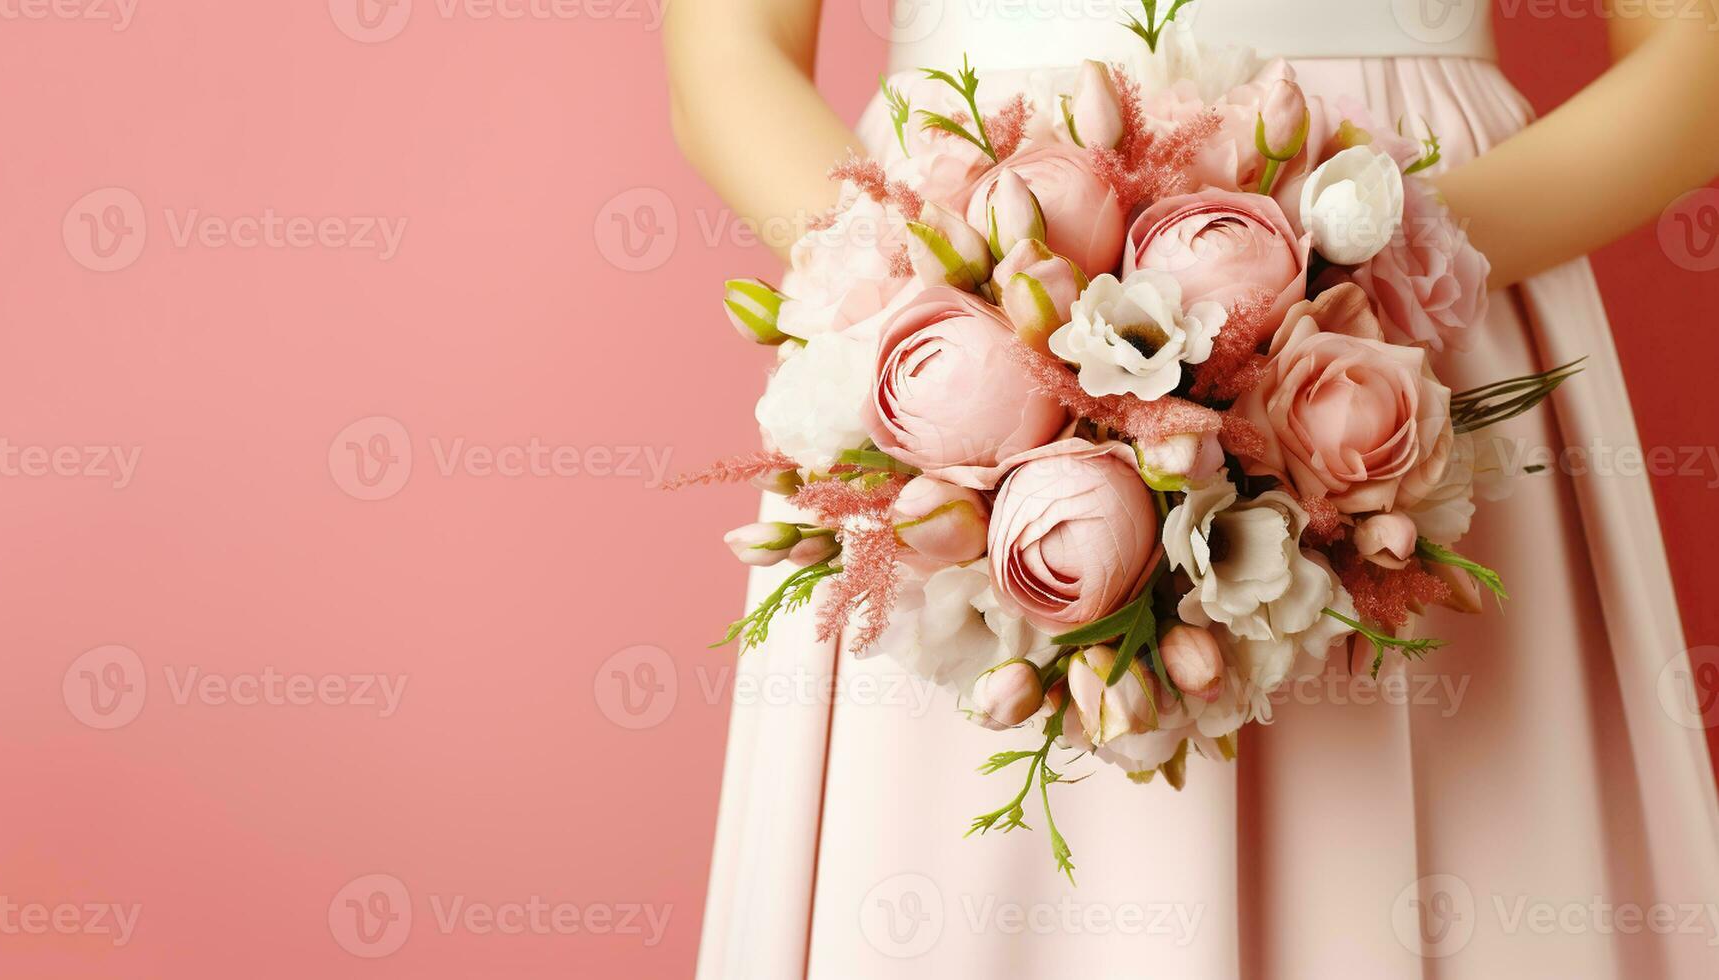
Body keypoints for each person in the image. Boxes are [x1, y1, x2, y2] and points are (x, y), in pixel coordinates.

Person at [666, 2, 1719, 976]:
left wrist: (1372, 256)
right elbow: (725, 60)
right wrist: (950, 297)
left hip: (1423, 302)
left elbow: (1696, 63)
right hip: (966, 286)